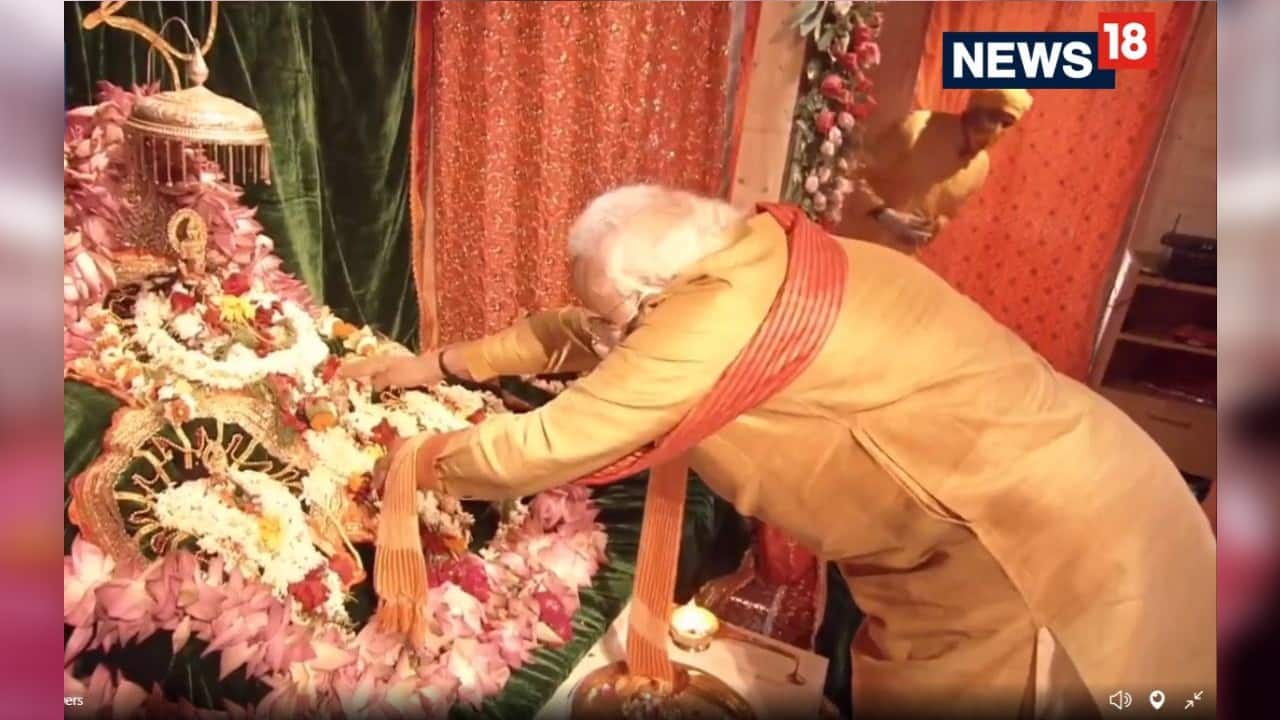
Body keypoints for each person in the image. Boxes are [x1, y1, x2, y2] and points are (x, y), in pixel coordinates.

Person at [341, 185, 1215, 718]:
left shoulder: (712, 315)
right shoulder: (744, 258)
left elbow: (553, 439)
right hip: (1002, 522)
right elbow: (575, 336)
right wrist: (434, 364)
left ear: (657, 295)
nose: (615, 332)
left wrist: (415, 460)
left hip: (1036, 551)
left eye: (623, 316)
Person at [843, 88, 1032, 254]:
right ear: (976, 108)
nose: (996, 130)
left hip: (896, 262)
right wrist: (884, 216)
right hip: (852, 244)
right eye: (992, 117)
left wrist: (933, 228)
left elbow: (946, 214)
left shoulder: (981, 167)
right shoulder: (916, 129)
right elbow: (848, 173)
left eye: (1006, 124)